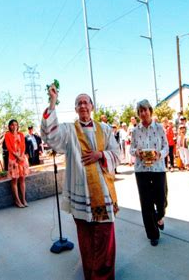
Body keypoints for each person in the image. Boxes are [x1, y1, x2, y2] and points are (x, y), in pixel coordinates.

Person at [41, 85, 120, 280]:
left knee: (104, 237)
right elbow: (50, 136)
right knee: (85, 239)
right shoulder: (69, 130)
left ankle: (104, 276)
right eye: (79, 103)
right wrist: (52, 101)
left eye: (86, 102)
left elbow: (117, 154)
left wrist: (100, 155)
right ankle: (90, 274)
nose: (83, 105)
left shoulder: (105, 129)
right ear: (75, 109)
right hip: (81, 194)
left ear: (92, 106)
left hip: (103, 193)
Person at [130, 99, 168, 247]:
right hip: (141, 170)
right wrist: (137, 152)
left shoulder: (159, 128)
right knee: (146, 203)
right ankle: (153, 234)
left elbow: (165, 146)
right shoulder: (135, 130)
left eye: (145, 110)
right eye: (140, 111)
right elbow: (131, 148)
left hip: (158, 168)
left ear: (150, 110)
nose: (143, 113)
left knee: (161, 198)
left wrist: (160, 154)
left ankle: (160, 216)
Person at [5, 119, 30, 208]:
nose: (14, 126)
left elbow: (23, 146)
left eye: (16, 124)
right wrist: (17, 156)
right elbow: (9, 147)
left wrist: (21, 156)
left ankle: (23, 199)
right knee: (14, 180)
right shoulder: (7, 135)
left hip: (22, 159)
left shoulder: (21, 134)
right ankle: (17, 200)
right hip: (13, 159)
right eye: (12, 125)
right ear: (9, 126)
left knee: (22, 179)